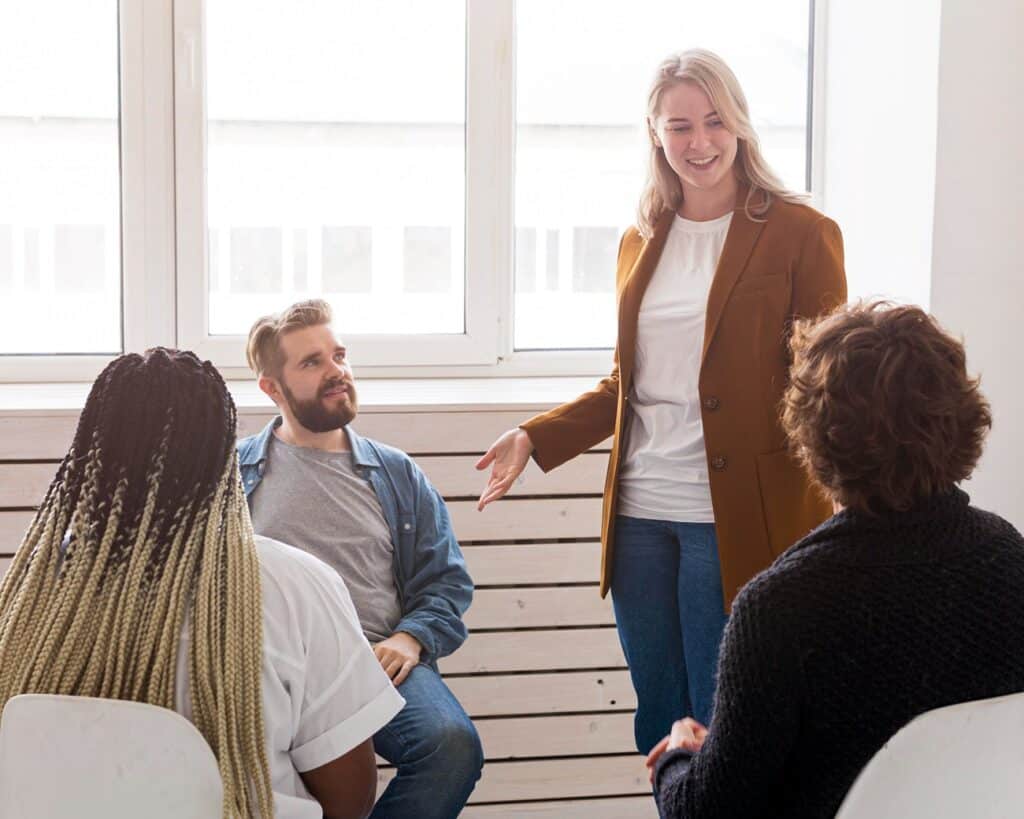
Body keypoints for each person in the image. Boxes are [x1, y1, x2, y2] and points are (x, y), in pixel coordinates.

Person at [477, 49, 847, 751]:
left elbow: (827, 383)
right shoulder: (640, 238)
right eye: (680, 126)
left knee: (721, 719)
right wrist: (535, 436)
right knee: (658, 716)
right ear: (655, 132)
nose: (699, 142)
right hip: (641, 514)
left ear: (739, 124)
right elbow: (630, 381)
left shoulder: (801, 233)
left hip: (735, 516)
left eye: (715, 121)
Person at [647, 302, 1024, 818]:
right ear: (960, 418)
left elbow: (706, 812)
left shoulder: (780, 609)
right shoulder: (1009, 559)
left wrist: (677, 757)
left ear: (817, 435)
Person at [0, 348, 406, 819]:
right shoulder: (295, 586)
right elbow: (349, 800)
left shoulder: (33, 592)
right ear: (221, 455)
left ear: (93, 452)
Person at [239, 299, 483, 819]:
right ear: (272, 388)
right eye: (312, 362)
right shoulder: (233, 473)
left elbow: (447, 582)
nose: (337, 371)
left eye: (339, 355)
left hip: (376, 660)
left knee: (451, 747)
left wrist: (410, 638)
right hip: (276, 666)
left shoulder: (396, 473)